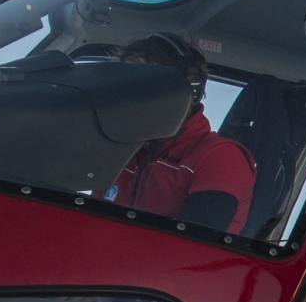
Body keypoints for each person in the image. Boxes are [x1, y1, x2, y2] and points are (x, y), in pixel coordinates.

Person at [108, 32, 256, 233]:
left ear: (188, 91)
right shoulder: (118, 152)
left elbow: (193, 247)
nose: (129, 94)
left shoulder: (220, 157)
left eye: (144, 83)